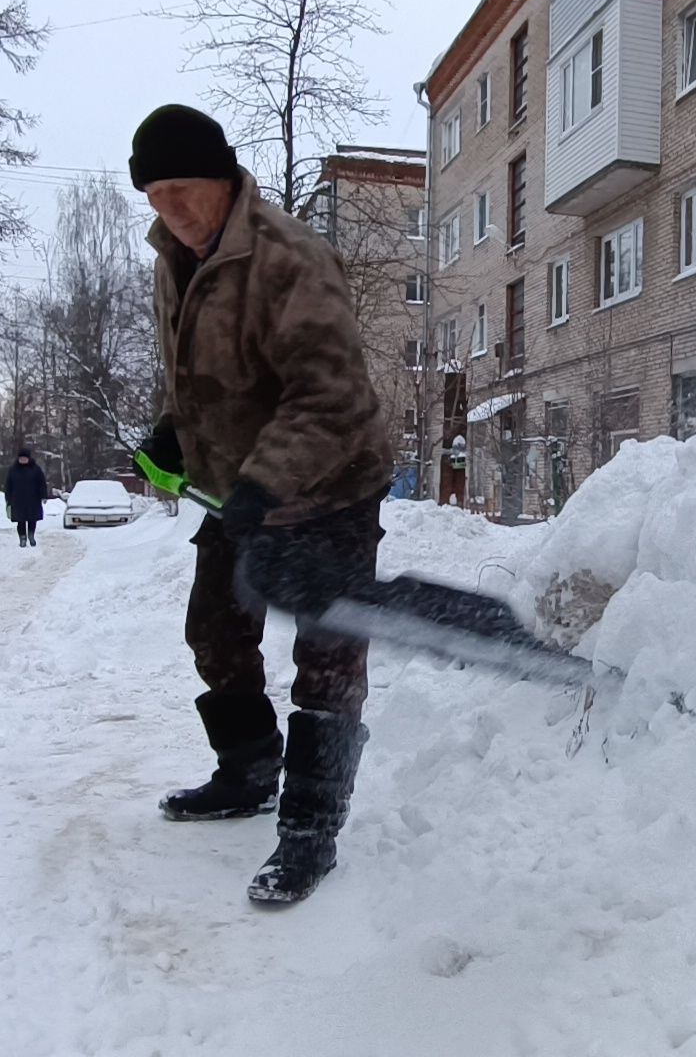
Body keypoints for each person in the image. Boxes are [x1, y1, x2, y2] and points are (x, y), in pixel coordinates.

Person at [130, 104, 395, 905]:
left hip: (330, 488)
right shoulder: (173, 258)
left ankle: (311, 829)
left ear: (225, 177)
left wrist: (263, 486)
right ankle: (247, 772)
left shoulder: (290, 258)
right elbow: (205, 373)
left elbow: (331, 396)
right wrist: (176, 433)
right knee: (215, 631)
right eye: (156, 193)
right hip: (241, 488)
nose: (172, 208)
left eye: (186, 188)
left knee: (328, 660)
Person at [3, 449, 48, 547]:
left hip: (33, 499)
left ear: (28, 458)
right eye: (21, 458)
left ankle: (31, 535)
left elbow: (42, 483)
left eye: (24, 458)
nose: (23, 460)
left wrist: (43, 495)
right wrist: (8, 498)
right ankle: (22, 538)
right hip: (17, 500)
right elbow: (8, 485)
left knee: (32, 519)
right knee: (20, 520)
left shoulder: (35, 469)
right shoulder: (13, 470)